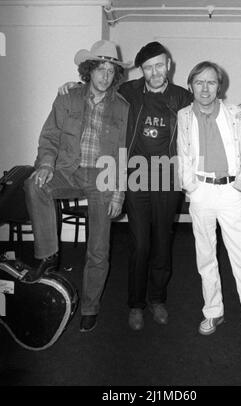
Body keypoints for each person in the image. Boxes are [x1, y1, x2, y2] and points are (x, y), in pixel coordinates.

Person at [59, 41, 241, 332]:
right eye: (148, 67)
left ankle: (157, 299)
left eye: (160, 65)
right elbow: (98, 90)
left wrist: (238, 112)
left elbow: (212, 106)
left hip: (168, 178)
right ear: (143, 71)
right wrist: (74, 84)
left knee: (162, 242)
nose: (155, 71)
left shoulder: (183, 97)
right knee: (140, 244)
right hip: (136, 178)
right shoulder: (129, 91)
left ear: (169, 65)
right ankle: (135, 304)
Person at [24, 40, 131, 333]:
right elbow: (49, 137)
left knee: (98, 248)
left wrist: (119, 192)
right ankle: (49, 253)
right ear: (89, 69)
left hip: (102, 179)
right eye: (100, 68)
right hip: (68, 171)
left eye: (111, 71)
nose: (105, 76)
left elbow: (123, 151)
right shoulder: (67, 97)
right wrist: (46, 165)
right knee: (34, 185)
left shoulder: (122, 108)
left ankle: (90, 307)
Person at [177, 60, 241, 349]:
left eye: (211, 82)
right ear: (191, 86)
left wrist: (238, 184)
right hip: (201, 194)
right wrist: (192, 188)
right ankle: (213, 312)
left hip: (230, 193)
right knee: (205, 257)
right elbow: (183, 155)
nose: (205, 88)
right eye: (199, 82)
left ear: (219, 86)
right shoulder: (183, 116)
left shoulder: (236, 114)